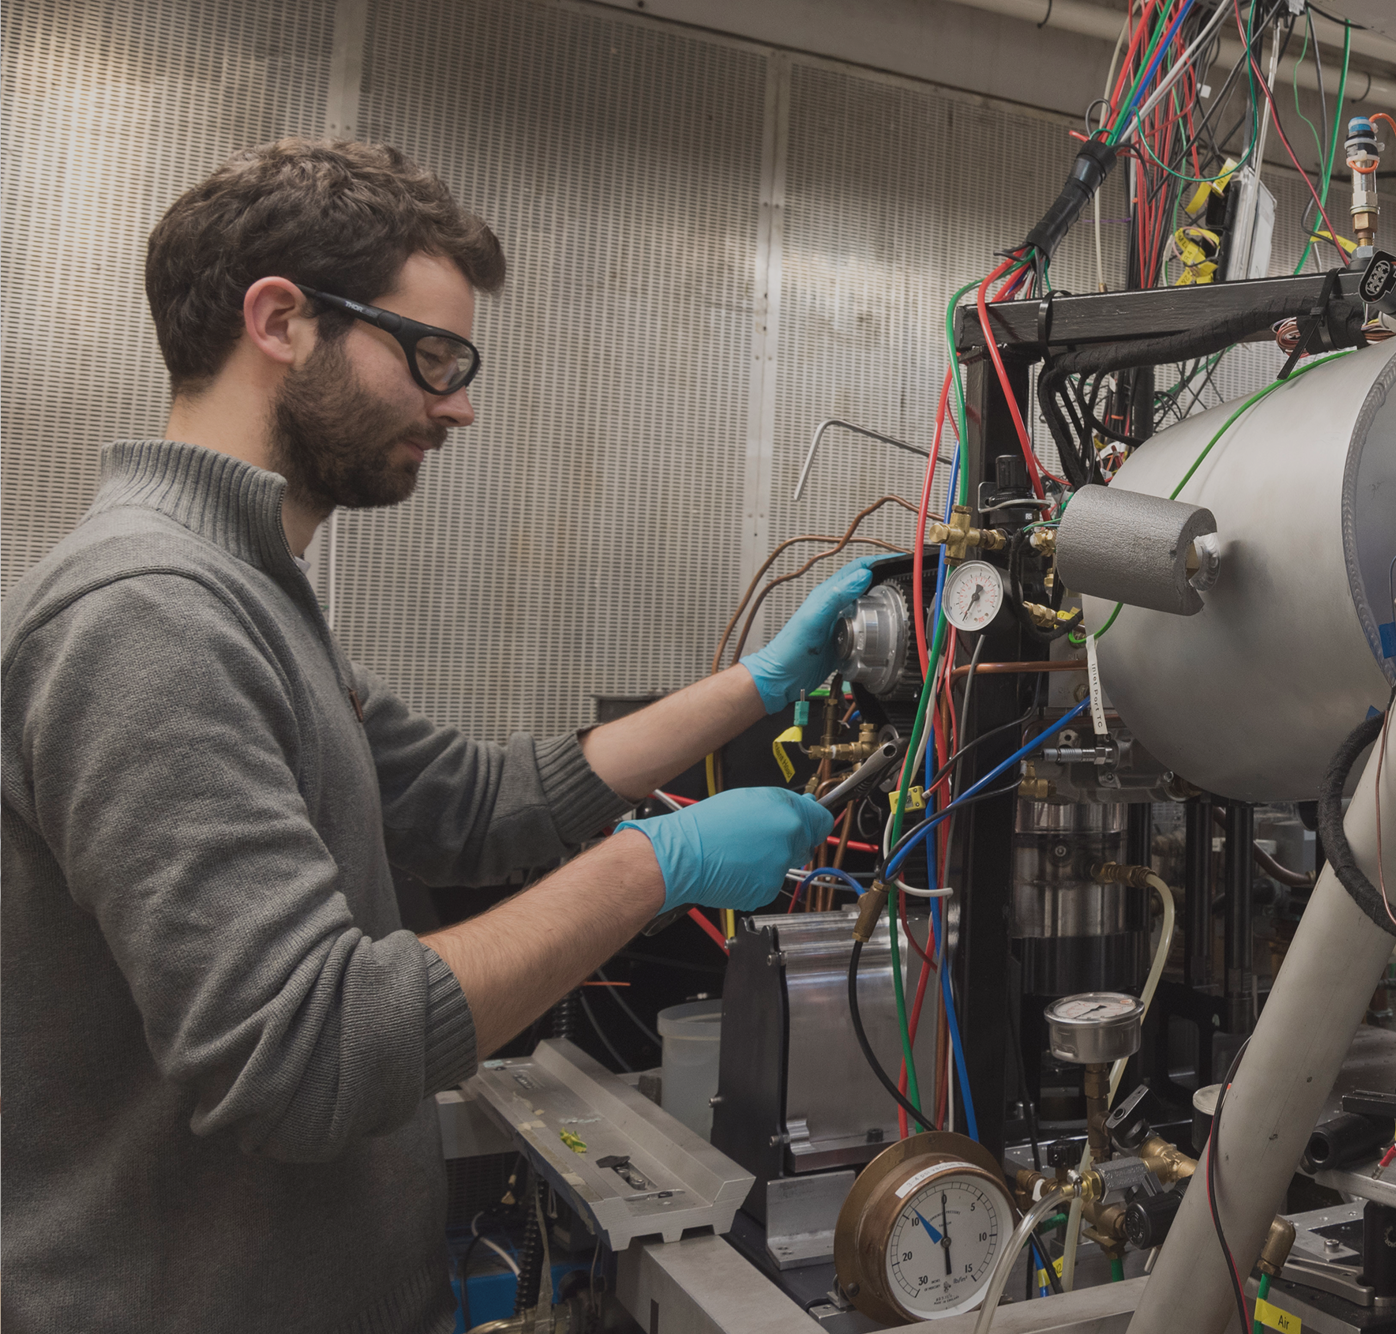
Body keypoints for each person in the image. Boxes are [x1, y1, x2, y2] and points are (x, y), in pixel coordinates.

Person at [1, 139, 877, 1334]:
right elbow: (305, 1049)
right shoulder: (145, 617)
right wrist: (650, 867)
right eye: (432, 355)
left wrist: (760, 682)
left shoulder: (247, 593)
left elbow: (474, 802)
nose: (458, 402)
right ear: (280, 320)